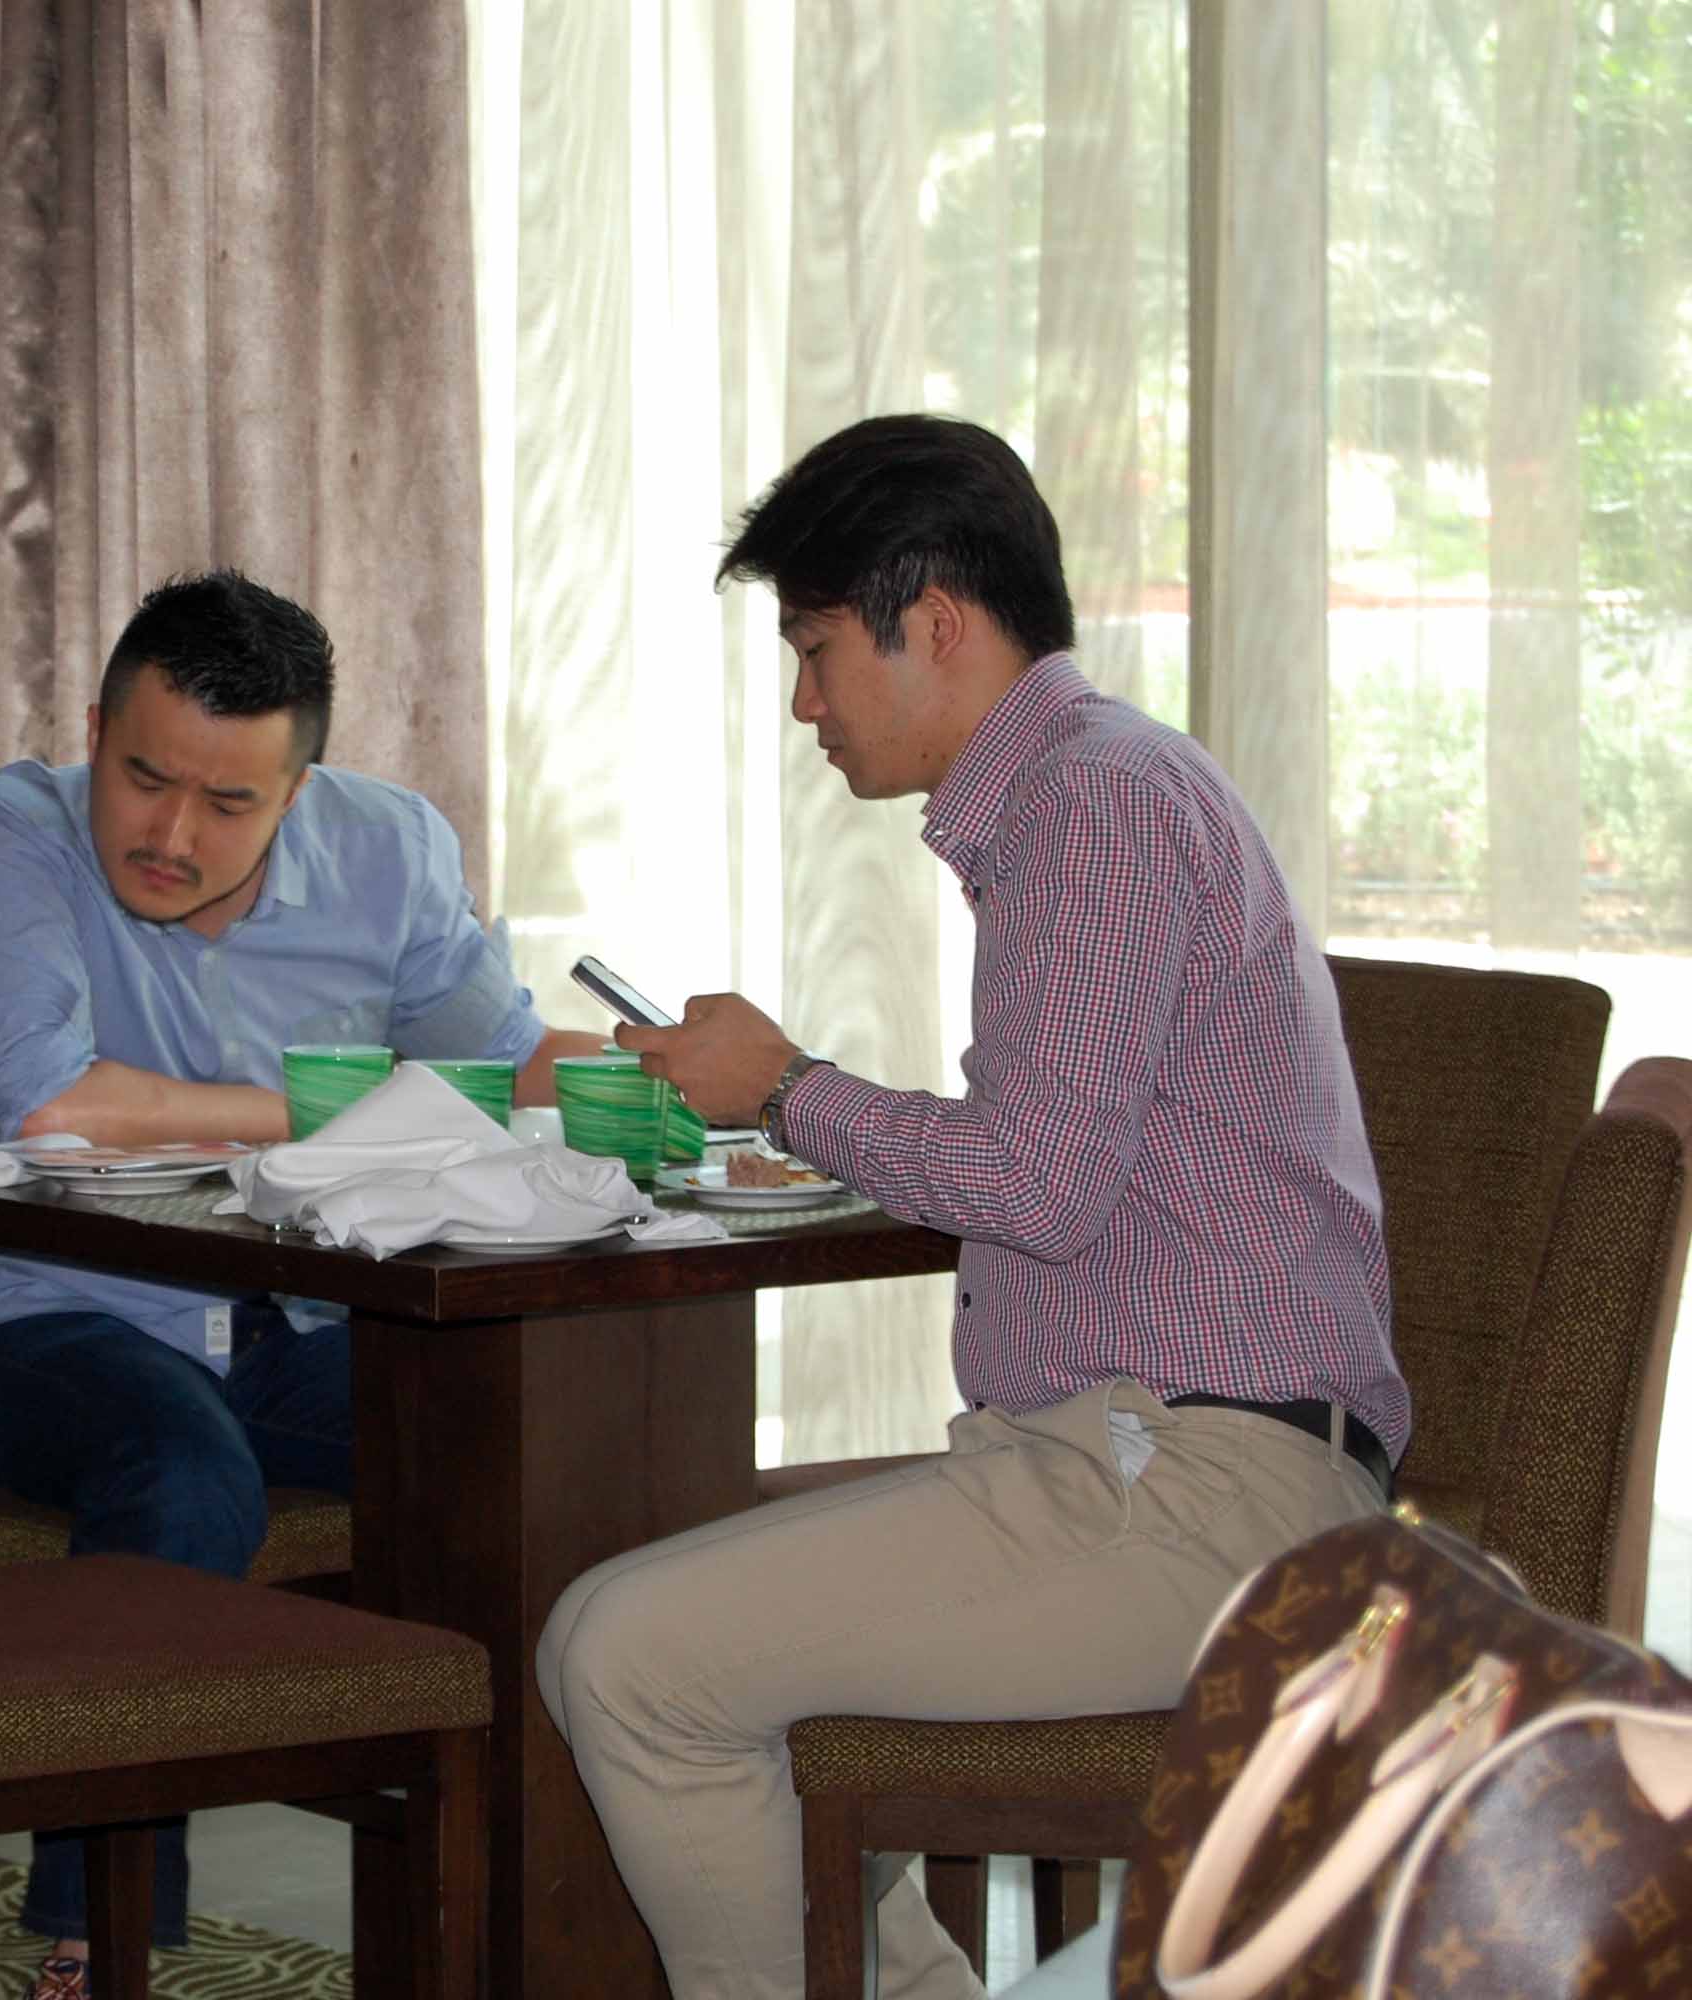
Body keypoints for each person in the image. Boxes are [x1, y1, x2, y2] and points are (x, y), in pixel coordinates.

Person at [533, 414, 1410, 2000]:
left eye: (814, 650)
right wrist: (796, 1100)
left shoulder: (1094, 802)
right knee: (656, 1625)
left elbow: (1037, 1185)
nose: (803, 703)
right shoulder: (1095, 790)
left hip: (1206, 1493)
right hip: (1147, 1458)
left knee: (630, 1658)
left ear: (931, 620)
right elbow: (1063, 1169)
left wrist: (786, 1086)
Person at [0, 569, 602, 2000]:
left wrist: (699, 1079)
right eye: (142, 777)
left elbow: (503, 1071)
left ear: (299, 792)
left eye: (228, 803)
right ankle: (98, 1945)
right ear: (95, 730)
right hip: (64, 1321)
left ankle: (521, 1923)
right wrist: (350, 1108)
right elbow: (47, 1106)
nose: (169, 835)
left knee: (545, 1452)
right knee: (187, 1477)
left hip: (301, 1323)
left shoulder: (390, 850)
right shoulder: (11, 833)